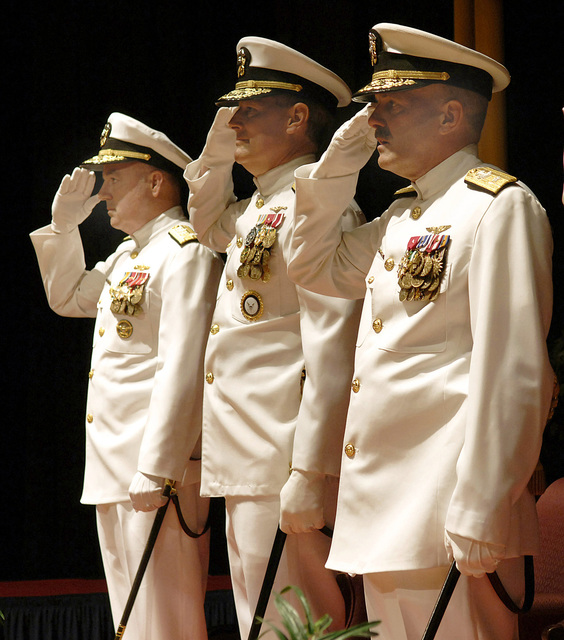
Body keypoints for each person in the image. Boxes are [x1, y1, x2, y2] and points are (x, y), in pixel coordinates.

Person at [287, 23, 555, 640]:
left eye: (392, 106)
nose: (373, 121)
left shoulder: (498, 206)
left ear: (450, 116)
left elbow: (513, 372)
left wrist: (484, 505)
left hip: (450, 513)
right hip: (386, 510)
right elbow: (313, 267)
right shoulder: (403, 214)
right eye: (373, 106)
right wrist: (335, 170)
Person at [184, 37, 364, 638]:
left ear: (297, 117)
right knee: (259, 622)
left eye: (249, 111)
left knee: (298, 624)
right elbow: (206, 223)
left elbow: (332, 349)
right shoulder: (260, 203)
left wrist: (310, 471)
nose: (233, 122)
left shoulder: (318, 205)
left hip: (283, 456)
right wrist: (215, 153)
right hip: (247, 453)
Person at [30, 113, 223, 640]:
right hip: (116, 462)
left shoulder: (186, 253)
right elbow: (68, 297)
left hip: (155, 467)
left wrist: (159, 466)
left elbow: (182, 365)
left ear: (156, 181)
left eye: (114, 178)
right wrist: (63, 226)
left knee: (167, 621)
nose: (103, 191)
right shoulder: (130, 254)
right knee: (131, 618)